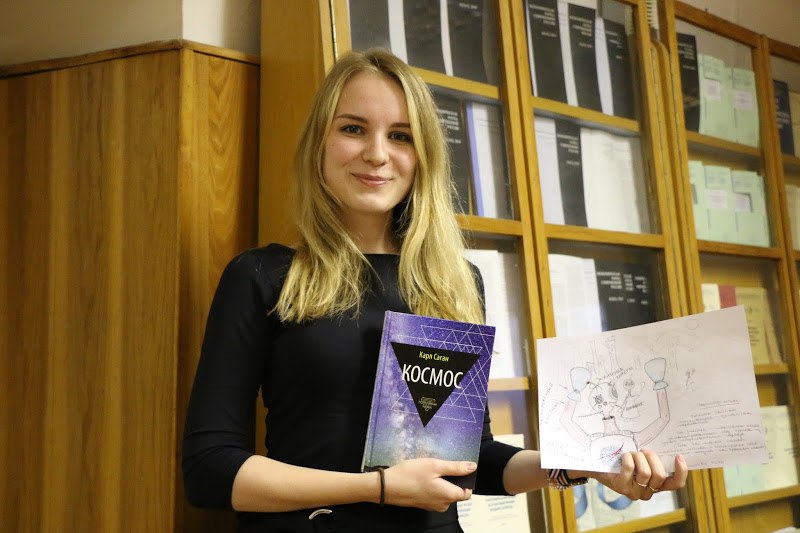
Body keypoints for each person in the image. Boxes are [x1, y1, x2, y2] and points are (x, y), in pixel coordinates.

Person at [182, 48, 688, 533]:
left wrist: (584, 465)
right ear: (319, 141)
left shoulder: (455, 283)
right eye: (353, 128)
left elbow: (473, 459)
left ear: (423, 155)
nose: (376, 153)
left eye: (400, 136)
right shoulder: (265, 276)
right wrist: (378, 488)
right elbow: (210, 469)